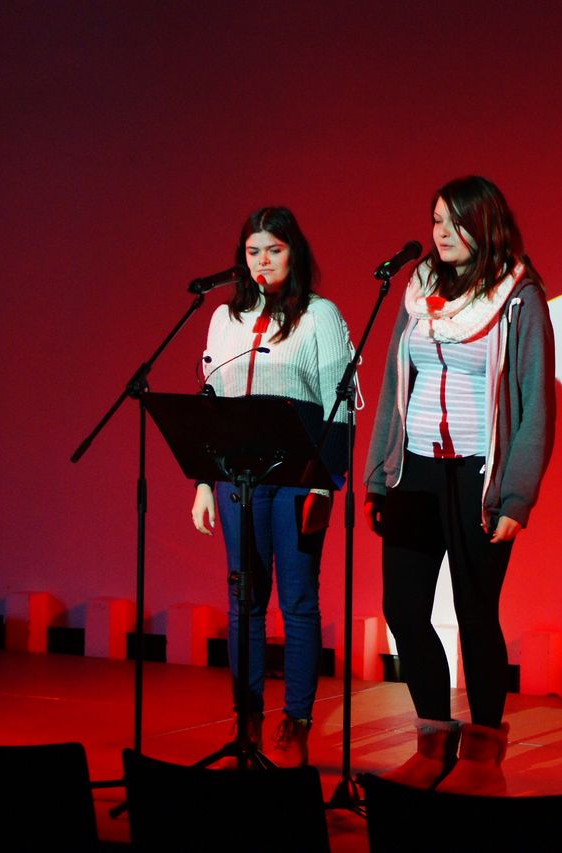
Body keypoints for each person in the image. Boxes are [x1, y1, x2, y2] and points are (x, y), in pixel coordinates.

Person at [364, 176, 555, 795]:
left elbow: (535, 404)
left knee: (475, 614)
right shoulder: (419, 289)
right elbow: (395, 385)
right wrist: (379, 475)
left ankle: (483, 753)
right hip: (416, 470)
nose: (440, 233)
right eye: (436, 220)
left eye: (453, 221)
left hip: (479, 476)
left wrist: (516, 495)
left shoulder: (519, 296)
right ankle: (433, 741)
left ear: (484, 223)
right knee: (403, 609)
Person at [191, 207, 352, 767]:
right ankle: (248, 720)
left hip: (298, 477)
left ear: (293, 253)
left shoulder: (320, 315)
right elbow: (211, 404)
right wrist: (204, 482)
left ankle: (297, 722)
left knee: (298, 600)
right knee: (244, 602)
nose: (263, 261)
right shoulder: (223, 319)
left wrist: (326, 485)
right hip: (238, 477)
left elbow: (339, 404)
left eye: (274, 250)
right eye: (253, 251)